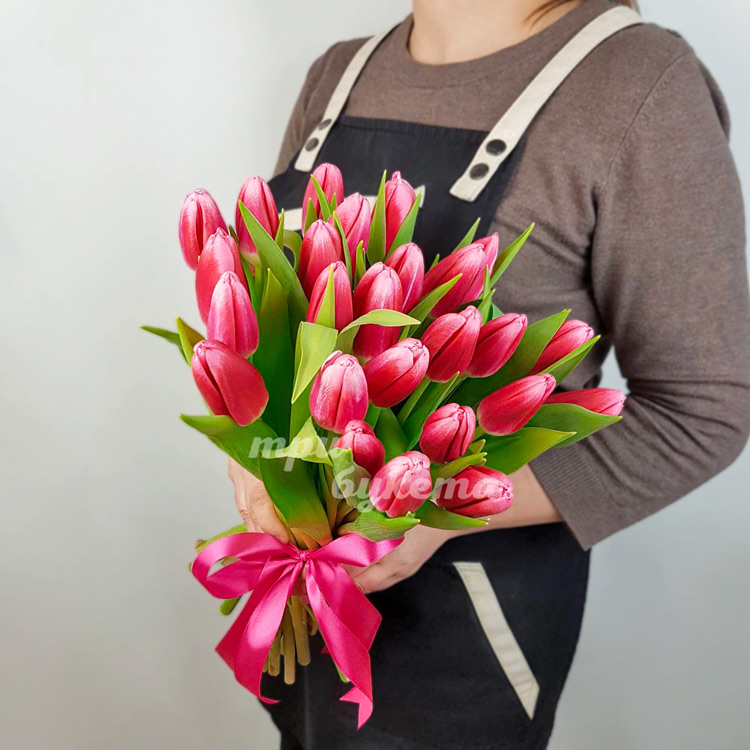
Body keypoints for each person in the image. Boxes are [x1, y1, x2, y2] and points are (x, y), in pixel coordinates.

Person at [230, 1, 750, 747]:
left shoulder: (634, 83)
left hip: (472, 635)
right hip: (305, 614)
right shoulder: (338, 75)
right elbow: (269, 331)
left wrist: (433, 509)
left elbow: (702, 411)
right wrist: (255, 468)